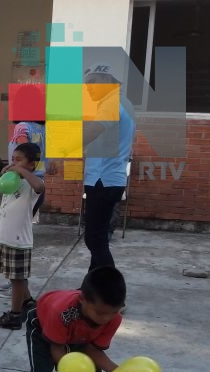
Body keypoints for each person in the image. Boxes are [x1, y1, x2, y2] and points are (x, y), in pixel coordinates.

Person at [81, 62, 136, 272]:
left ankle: (112, 293)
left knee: (94, 239)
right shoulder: (123, 103)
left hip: (102, 181)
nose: (89, 88)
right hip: (111, 179)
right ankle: (93, 286)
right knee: (99, 237)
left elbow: (93, 132)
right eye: (87, 84)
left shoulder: (111, 102)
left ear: (108, 81)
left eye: (93, 82)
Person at [0, 143, 45, 330]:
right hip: (5, 236)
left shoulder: (31, 184)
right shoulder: (12, 180)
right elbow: (0, 189)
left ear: (31, 165)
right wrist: (6, 172)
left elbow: (40, 187)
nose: (14, 163)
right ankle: (28, 301)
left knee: (17, 278)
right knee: (16, 275)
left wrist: (22, 172)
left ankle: (15, 315)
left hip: (19, 240)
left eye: (19, 160)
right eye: (12, 159)